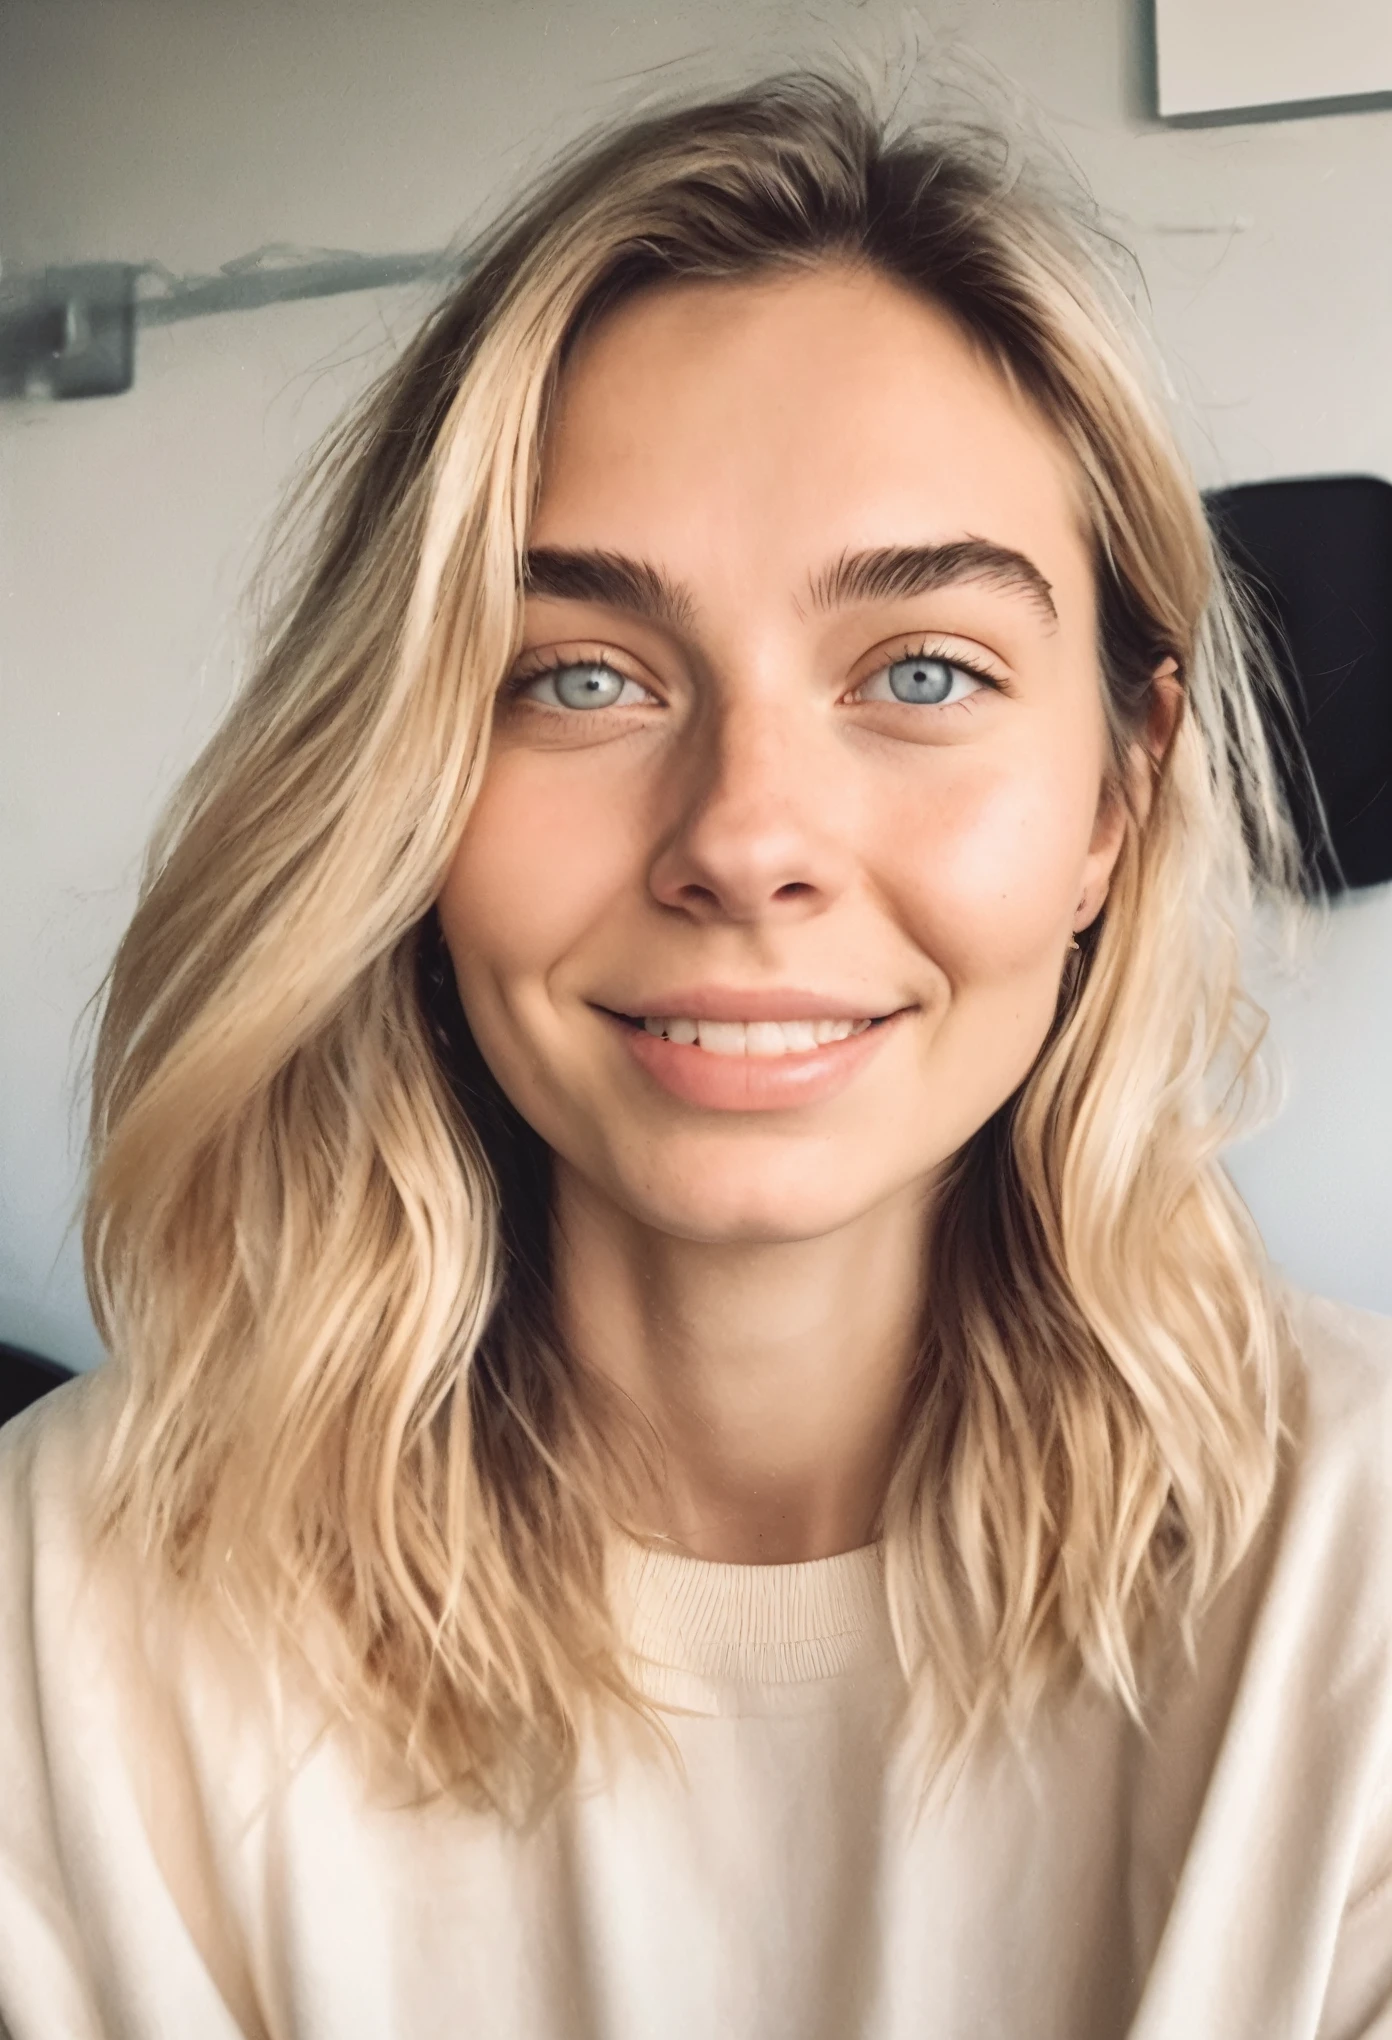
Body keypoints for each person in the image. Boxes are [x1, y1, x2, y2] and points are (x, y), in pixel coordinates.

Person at [1, 71, 1390, 2040]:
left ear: (1114, 795)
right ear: (402, 781)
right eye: (581, 675)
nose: (744, 835)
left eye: (923, 673)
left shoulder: (1359, 1588)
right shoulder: (58, 1617)